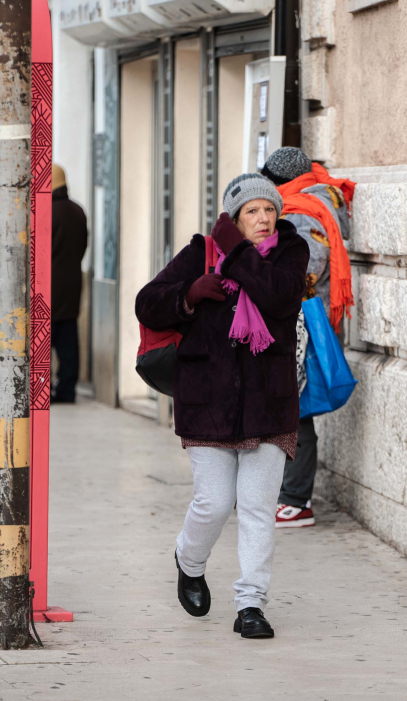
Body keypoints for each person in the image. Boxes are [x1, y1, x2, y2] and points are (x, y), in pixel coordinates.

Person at [135, 173, 309, 639]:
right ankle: (188, 561)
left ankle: (251, 605)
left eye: (270, 210)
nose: (264, 218)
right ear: (234, 217)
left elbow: (275, 295)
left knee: (256, 507)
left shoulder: (291, 254)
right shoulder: (199, 254)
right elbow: (146, 303)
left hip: (269, 404)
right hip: (207, 400)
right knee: (214, 503)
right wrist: (188, 295)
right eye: (252, 210)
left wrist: (235, 252)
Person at [259, 147, 356, 529]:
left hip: (300, 322)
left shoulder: (301, 210)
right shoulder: (315, 199)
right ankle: (286, 494)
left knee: (293, 408)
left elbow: (306, 268)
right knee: (289, 405)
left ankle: (296, 500)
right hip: (302, 320)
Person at [50, 164, 88, 403]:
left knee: (44, 342)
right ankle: (67, 388)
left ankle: (44, 389)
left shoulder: (44, 212)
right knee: (68, 341)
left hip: (47, 287)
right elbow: (83, 247)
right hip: (72, 285)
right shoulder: (78, 211)